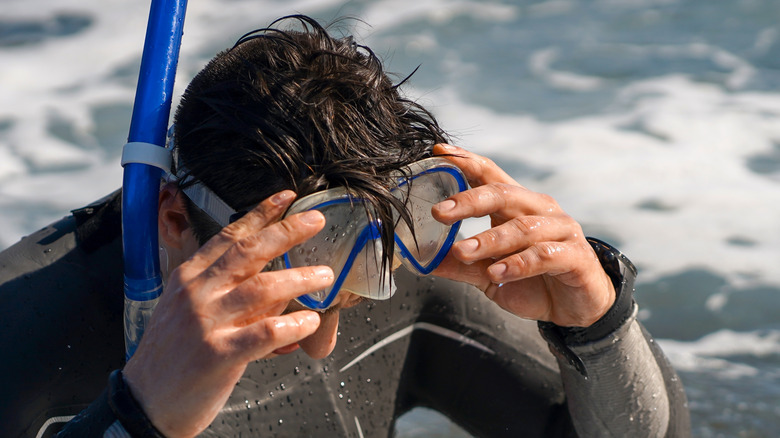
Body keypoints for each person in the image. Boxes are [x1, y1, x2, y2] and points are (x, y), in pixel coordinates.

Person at [0, 15, 689, 438]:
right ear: (174, 217)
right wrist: (140, 416)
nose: (327, 334)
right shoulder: (16, 330)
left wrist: (598, 323)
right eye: (294, 268)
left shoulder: (402, 288)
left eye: (366, 271)